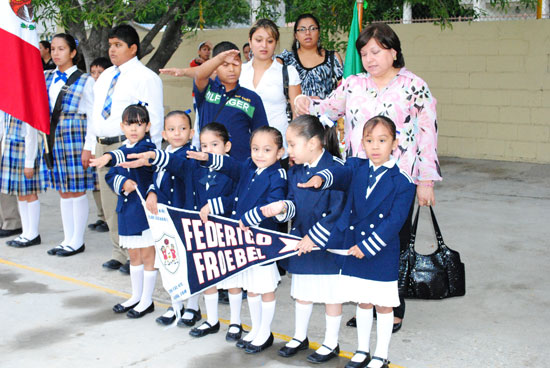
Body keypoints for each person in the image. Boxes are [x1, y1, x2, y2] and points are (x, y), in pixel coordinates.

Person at [295, 22, 442, 332]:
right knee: (358, 237)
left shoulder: (414, 85)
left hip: (397, 178)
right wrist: (307, 104)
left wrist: (426, 179)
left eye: (376, 52)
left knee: (393, 239)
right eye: (364, 54)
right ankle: (365, 300)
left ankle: (392, 306)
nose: (369, 59)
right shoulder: (353, 84)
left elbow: (428, 133)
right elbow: (328, 112)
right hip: (359, 177)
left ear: (393, 51)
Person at [300, 116, 416, 368]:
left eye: (382, 140)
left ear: (395, 143)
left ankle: (381, 354)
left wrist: (368, 246)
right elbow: (338, 173)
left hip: (379, 251)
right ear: (362, 142)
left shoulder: (403, 182)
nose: (375, 146)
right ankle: (362, 350)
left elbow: (394, 223)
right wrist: (322, 178)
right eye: (369, 140)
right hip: (354, 248)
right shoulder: (356, 167)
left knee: (384, 306)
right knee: (363, 302)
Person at [187, 126, 287, 354]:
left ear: (280, 152)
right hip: (244, 240)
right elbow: (236, 198)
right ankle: (255, 328)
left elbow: (273, 205)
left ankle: (265, 332)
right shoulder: (251, 168)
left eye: (267, 149)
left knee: (265, 289)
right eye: (255, 149)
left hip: (263, 241)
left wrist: (251, 218)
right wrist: (215, 206)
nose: (260, 154)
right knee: (251, 287)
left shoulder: (277, 175)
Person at [260, 115, 345, 364]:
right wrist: (282, 209)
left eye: (292, 143)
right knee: (303, 290)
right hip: (301, 239)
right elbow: (295, 204)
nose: (288, 150)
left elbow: (339, 211)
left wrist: (315, 237)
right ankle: (300, 336)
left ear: (313, 143)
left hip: (327, 242)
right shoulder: (295, 169)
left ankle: (331, 342)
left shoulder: (337, 169)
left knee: (331, 295)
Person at [83, 24, 164, 273]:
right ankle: (119, 251)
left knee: (132, 203)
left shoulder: (146, 78)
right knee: (110, 203)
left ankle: (136, 255)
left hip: (129, 147)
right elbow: (94, 113)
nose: (112, 50)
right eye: (110, 45)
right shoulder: (106, 75)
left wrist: (151, 155)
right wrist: (89, 145)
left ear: (133, 48)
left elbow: (155, 118)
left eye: (118, 45)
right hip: (103, 145)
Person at [90, 104, 157, 318]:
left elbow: (128, 155)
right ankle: (136, 296)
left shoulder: (147, 148)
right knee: (133, 254)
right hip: (127, 209)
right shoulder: (124, 146)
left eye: (139, 124)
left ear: (147, 126)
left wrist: (109, 157)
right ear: (122, 126)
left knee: (148, 255)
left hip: (144, 210)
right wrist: (122, 182)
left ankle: (147, 300)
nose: (134, 129)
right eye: (129, 124)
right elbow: (111, 176)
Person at [160, 43, 268, 162]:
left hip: (238, 166)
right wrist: (219, 59)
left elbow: (262, 135)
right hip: (207, 163)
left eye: (236, 63)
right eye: (225, 65)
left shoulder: (252, 98)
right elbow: (200, 75)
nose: (231, 69)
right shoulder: (207, 89)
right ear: (215, 68)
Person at [43, 33, 94, 257]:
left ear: (73, 53)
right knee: (63, 191)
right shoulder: (45, 78)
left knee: (77, 190)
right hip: (55, 141)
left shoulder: (85, 80)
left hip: (76, 141)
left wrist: (88, 147)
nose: (55, 53)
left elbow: (93, 116)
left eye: (61, 49)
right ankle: (67, 238)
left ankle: (77, 240)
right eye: (53, 49)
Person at [239, 19, 301, 166]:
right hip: (243, 148)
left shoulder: (287, 72)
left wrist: (295, 150)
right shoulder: (239, 72)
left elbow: (297, 115)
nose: (264, 46)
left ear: (276, 43)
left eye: (270, 41)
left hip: (278, 150)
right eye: (258, 40)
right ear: (250, 40)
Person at [0, 112, 46, 247]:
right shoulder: (8, 108)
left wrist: (29, 162)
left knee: (30, 193)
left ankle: (33, 233)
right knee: (20, 194)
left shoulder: (24, 108)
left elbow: (30, 135)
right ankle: (26, 232)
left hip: (24, 152)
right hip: (11, 150)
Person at [277, 13, 343, 99]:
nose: (307, 33)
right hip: (294, 111)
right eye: (302, 29)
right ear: (295, 35)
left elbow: (343, 91)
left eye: (312, 28)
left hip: (326, 111)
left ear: (318, 32)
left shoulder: (332, 58)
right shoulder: (286, 59)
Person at [88, 57, 113, 233]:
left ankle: (107, 218)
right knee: (96, 185)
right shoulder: (90, 88)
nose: (96, 76)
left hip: (109, 143)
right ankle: (101, 215)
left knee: (107, 184)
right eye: (93, 72)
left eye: (100, 72)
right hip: (93, 141)